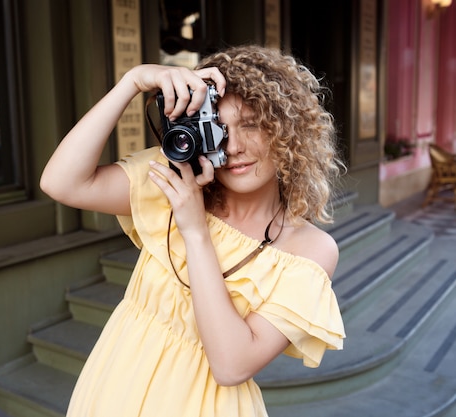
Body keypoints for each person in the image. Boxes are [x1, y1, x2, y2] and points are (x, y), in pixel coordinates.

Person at [40, 44, 346, 417]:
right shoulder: (177, 181)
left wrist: (195, 230)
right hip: (113, 389)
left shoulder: (309, 250)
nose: (232, 147)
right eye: (217, 127)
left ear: (286, 131)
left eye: (250, 124)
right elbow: (62, 183)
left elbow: (232, 365)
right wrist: (132, 81)